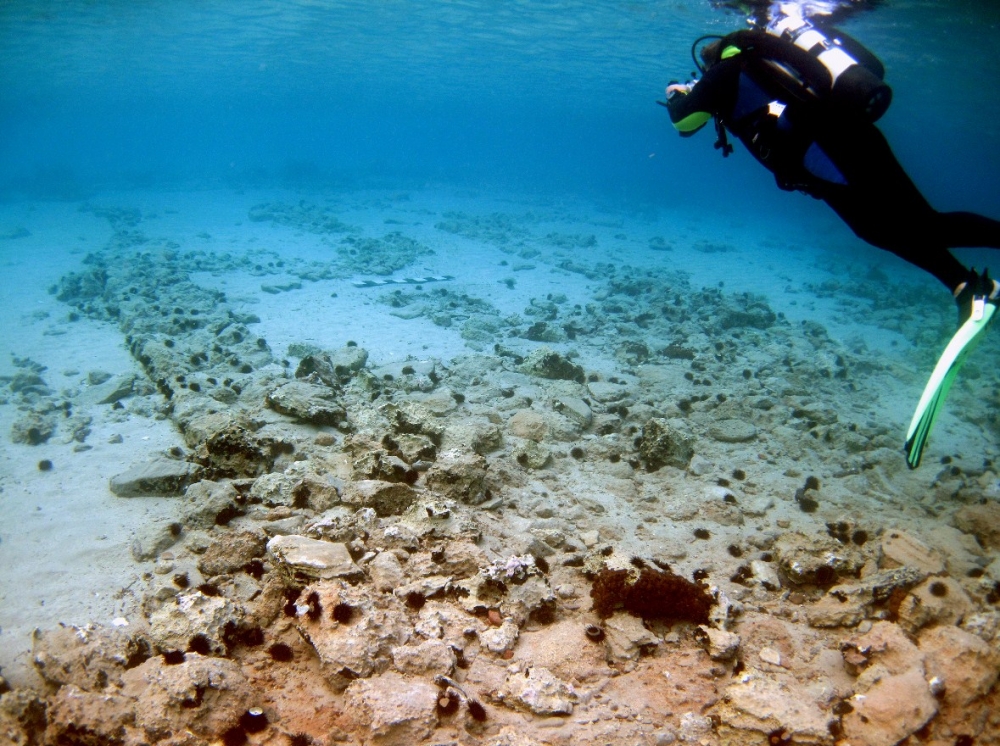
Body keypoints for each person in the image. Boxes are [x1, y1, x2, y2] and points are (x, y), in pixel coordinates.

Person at [662, 14, 1000, 323]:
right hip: (830, 155)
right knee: (878, 231)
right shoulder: (750, 68)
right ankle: (965, 287)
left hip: (837, 149)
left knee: (923, 225)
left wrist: (676, 93)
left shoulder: (728, 69)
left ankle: (966, 282)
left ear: (711, 60)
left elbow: (685, 119)